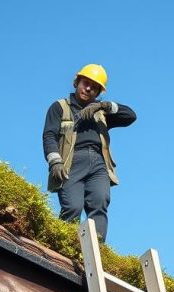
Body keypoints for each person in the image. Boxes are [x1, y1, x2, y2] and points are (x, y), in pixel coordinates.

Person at [42, 64, 136, 241]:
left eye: (94, 87)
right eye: (85, 83)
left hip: (98, 164)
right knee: (73, 207)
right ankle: (62, 248)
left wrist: (105, 106)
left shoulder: (101, 113)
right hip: (71, 163)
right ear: (77, 82)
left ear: (98, 92)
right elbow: (49, 136)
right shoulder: (60, 107)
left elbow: (130, 116)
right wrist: (55, 161)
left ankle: (96, 251)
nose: (88, 88)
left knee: (99, 204)